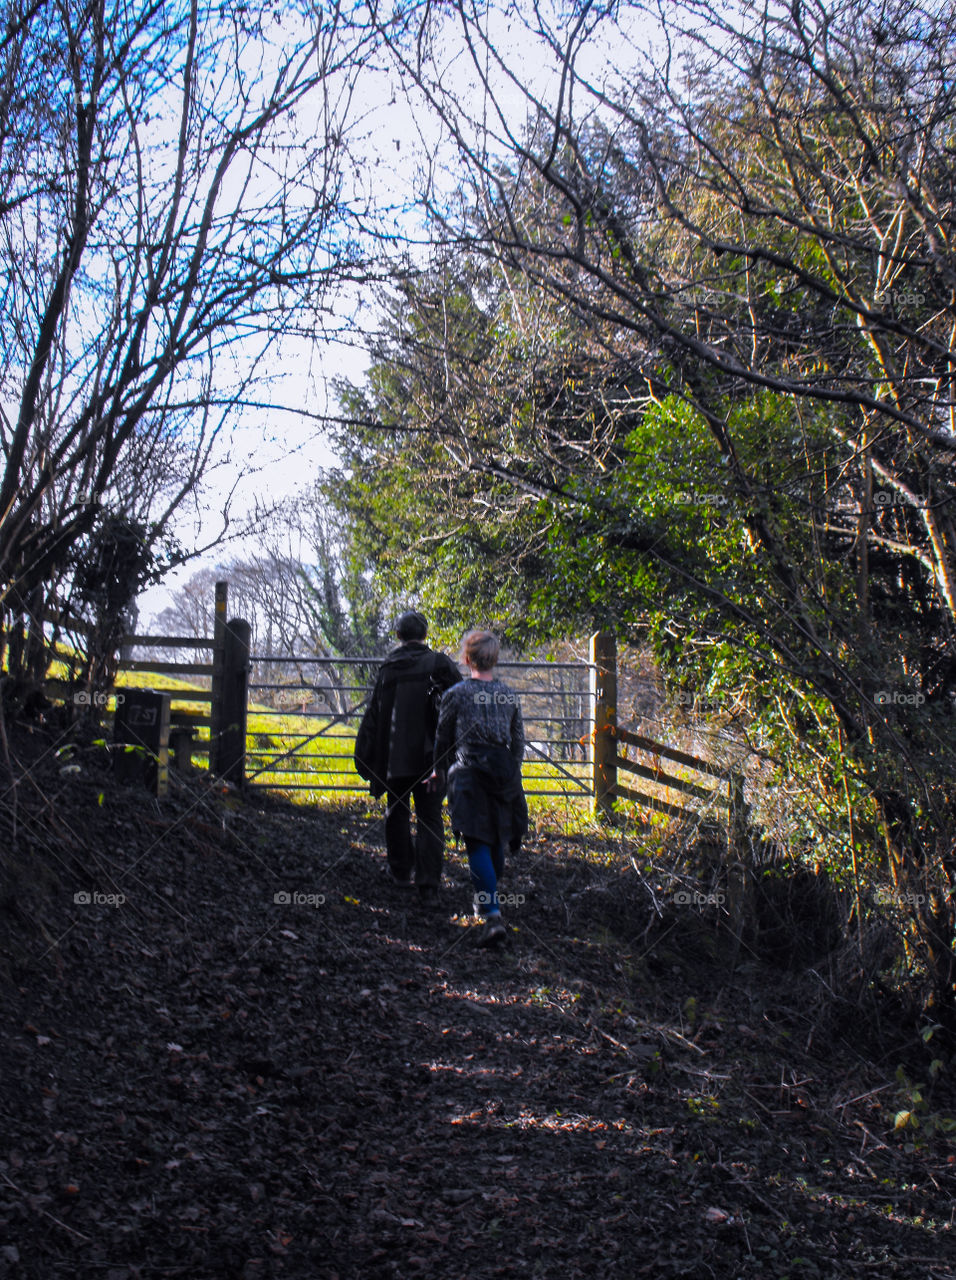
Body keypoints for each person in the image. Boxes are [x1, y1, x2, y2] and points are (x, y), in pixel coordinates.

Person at [354, 611, 460, 905]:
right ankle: (428, 887)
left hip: (395, 757)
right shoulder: (439, 664)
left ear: (398, 635)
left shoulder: (388, 668)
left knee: (396, 811)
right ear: (425, 634)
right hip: (432, 757)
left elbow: (375, 714)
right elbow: (459, 702)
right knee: (430, 817)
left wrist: (370, 756)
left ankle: (401, 872)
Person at [432, 630, 527, 946]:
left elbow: (443, 739)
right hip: (503, 771)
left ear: (466, 659)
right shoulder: (508, 694)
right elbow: (518, 740)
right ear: (494, 659)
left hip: (469, 771)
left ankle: (492, 915)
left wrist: (438, 771)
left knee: (477, 843)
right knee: (497, 836)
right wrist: (511, 771)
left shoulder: (456, 694)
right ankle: (488, 901)